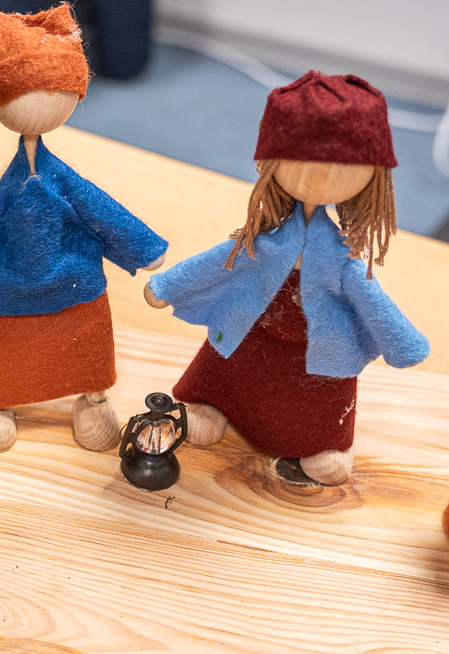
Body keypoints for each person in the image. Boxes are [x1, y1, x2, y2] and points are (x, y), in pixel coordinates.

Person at [146, 71, 429, 484]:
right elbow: (219, 260)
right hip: (251, 336)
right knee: (226, 375)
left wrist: (404, 342)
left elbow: (371, 298)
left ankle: (324, 443)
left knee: (313, 409)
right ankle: (212, 404)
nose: (319, 174)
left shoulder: (343, 261)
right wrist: (167, 286)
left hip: (315, 358)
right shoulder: (264, 241)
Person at [0, 4, 167, 454]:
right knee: (0, 355)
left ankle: (92, 399)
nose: (41, 103)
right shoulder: (7, 191)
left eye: (55, 89)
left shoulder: (63, 181)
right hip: (2, 290)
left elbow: (101, 211)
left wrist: (143, 249)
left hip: (74, 282)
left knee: (86, 347)